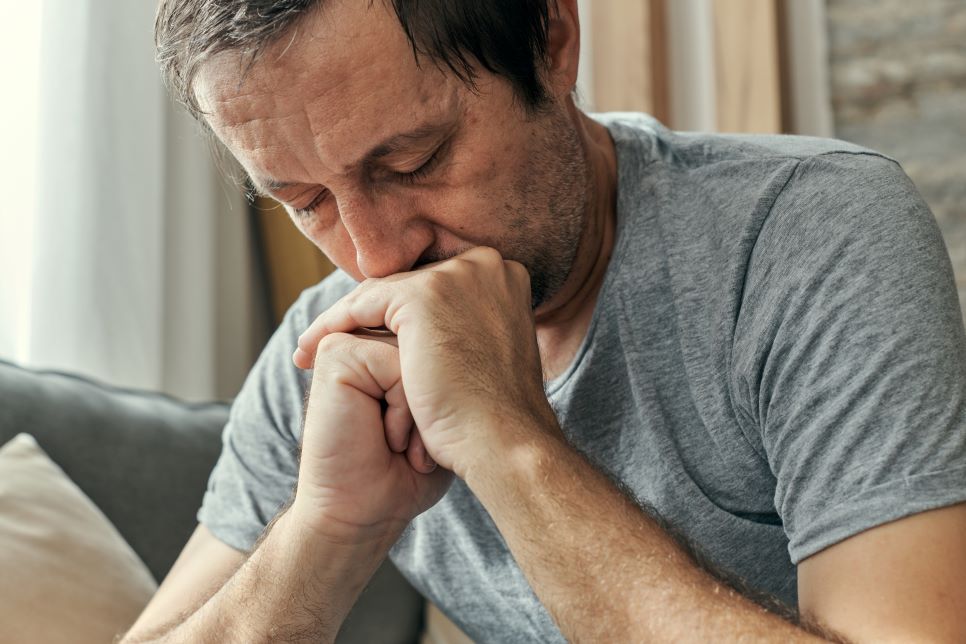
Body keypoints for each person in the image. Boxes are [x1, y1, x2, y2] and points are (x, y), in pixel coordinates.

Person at [124, 0, 966, 641]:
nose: (375, 258)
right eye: (305, 202)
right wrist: (330, 527)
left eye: (414, 161)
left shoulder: (806, 232)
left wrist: (505, 440)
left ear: (553, 39)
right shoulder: (330, 353)